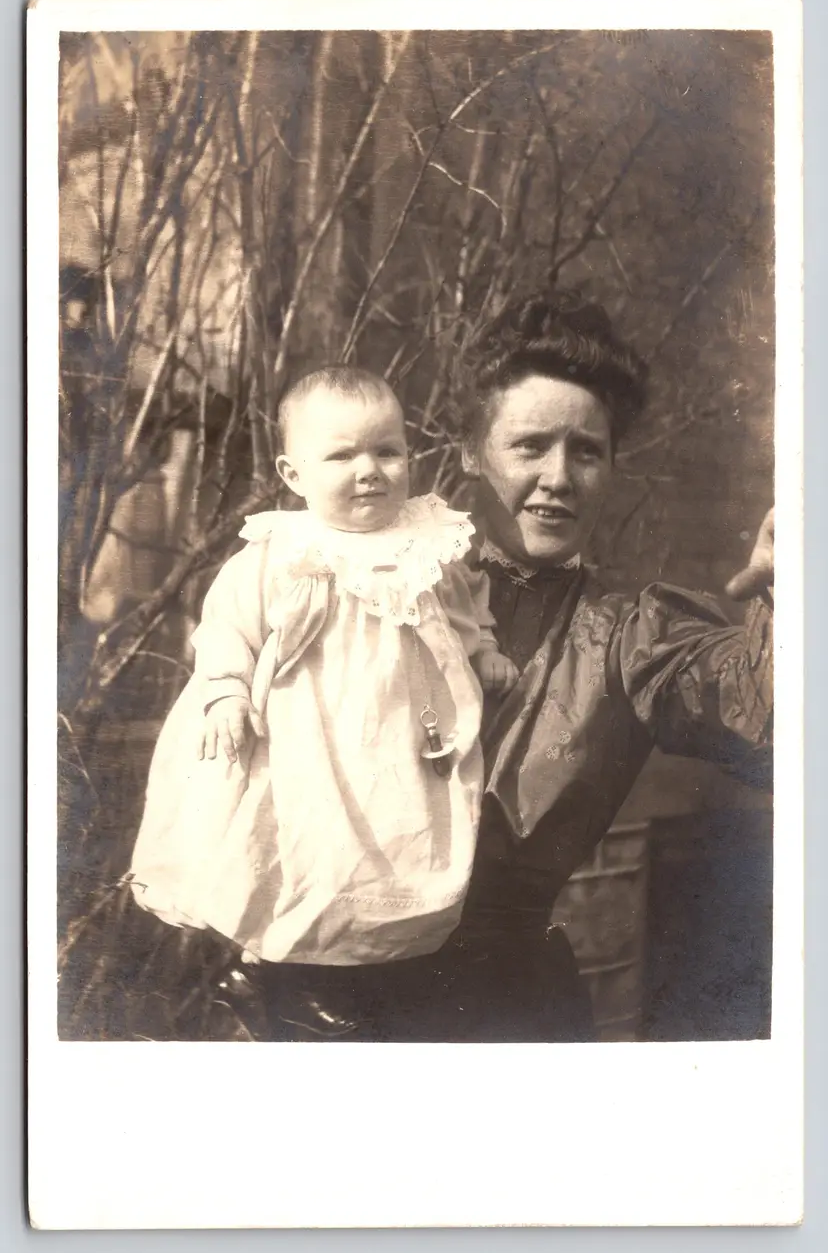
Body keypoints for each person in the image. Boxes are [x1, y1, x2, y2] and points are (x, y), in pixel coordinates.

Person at [135, 292, 775, 1044]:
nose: (559, 476)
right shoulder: (338, 580)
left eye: (588, 451)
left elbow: (767, 719)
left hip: (497, 1011)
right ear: (472, 451)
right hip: (306, 997)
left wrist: (791, 592)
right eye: (530, 445)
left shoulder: (628, 635)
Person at [127, 367, 518, 1007]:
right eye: (342, 455)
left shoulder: (428, 545)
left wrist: (485, 649)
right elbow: (226, 626)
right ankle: (276, 969)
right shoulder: (281, 554)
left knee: (396, 841)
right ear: (293, 475)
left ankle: (366, 968)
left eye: (387, 451)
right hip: (305, 737)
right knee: (301, 846)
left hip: (398, 734)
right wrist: (225, 688)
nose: (370, 469)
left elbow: (464, 608)